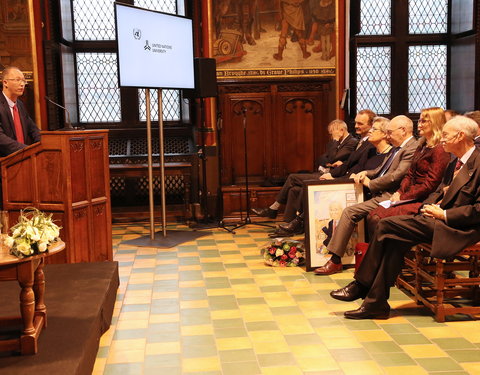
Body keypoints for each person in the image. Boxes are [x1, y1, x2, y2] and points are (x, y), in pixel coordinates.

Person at [330, 115, 480, 320]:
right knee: (393, 239)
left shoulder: (477, 162)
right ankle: (375, 302)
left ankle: (361, 285)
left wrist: (444, 214)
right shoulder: (456, 161)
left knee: (385, 225)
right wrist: (431, 206)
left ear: (461, 136)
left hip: (459, 227)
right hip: (436, 218)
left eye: (446, 135)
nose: (442, 139)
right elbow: (438, 191)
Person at [313, 115, 418, 275]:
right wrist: (365, 173)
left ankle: (335, 261)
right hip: (381, 191)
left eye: (390, 132)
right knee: (348, 208)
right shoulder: (398, 148)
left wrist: (371, 183)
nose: (388, 136)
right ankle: (338, 258)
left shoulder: (411, 147)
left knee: (349, 212)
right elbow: (381, 169)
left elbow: (396, 176)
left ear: (402, 130)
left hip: (392, 195)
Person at [274, 115, 392, 237]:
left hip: (361, 189)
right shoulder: (370, 150)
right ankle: (294, 223)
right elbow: (328, 160)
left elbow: (339, 162)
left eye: (374, 129)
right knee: (296, 189)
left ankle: (297, 224)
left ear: (385, 134)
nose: (370, 131)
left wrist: (336, 179)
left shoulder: (386, 153)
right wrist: (334, 176)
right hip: (348, 180)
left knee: (314, 188)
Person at [252, 119, 357, 222]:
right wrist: (329, 161)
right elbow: (321, 159)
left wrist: (334, 143)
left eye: (332, 133)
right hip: (324, 171)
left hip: (334, 176)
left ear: (341, 130)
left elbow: (332, 158)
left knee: (292, 177)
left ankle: (273, 208)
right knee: (293, 190)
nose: (331, 136)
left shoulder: (351, 142)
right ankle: (288, 222)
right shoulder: (334, 143)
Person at [367, 107, 450, 231]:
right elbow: (409, 174)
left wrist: (403, 197)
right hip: (409, 196)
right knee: (373, 214)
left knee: (378, 218)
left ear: (434, 123)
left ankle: (389, 250)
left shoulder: (439, 149)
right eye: (419, 121)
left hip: (423, 199)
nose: (419, 124)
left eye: (423, 121)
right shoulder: (422, 145)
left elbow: (430, 184)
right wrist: (399, 192)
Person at [0, 66, 41, 156]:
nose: (22, 84)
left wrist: (44, 144)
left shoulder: (20, 105)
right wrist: (26, 150)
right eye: (17, 80)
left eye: (23, 81)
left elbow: (33, 129)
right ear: (5, 82)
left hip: (23, 160)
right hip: (5, 161)